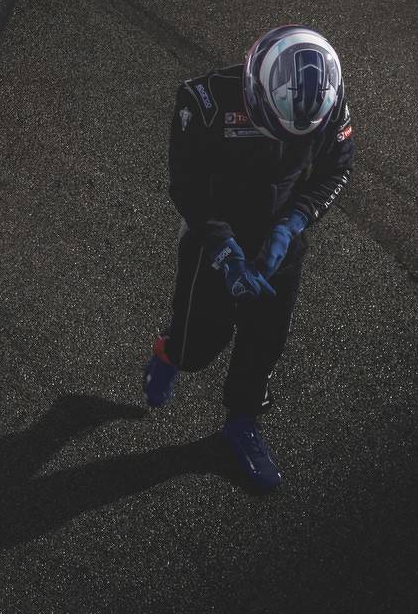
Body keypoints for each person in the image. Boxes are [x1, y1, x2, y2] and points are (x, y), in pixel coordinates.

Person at [142, 25, 355, 490]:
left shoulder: (327, 100)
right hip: (214, 237)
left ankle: (242, 421)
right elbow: (185, 185)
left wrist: (293, 223)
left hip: (280, 240)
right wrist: (223, 249)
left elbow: (337, 169)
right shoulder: (202, 102)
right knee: (199, 345)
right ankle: (171, 352)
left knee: (266, 340)